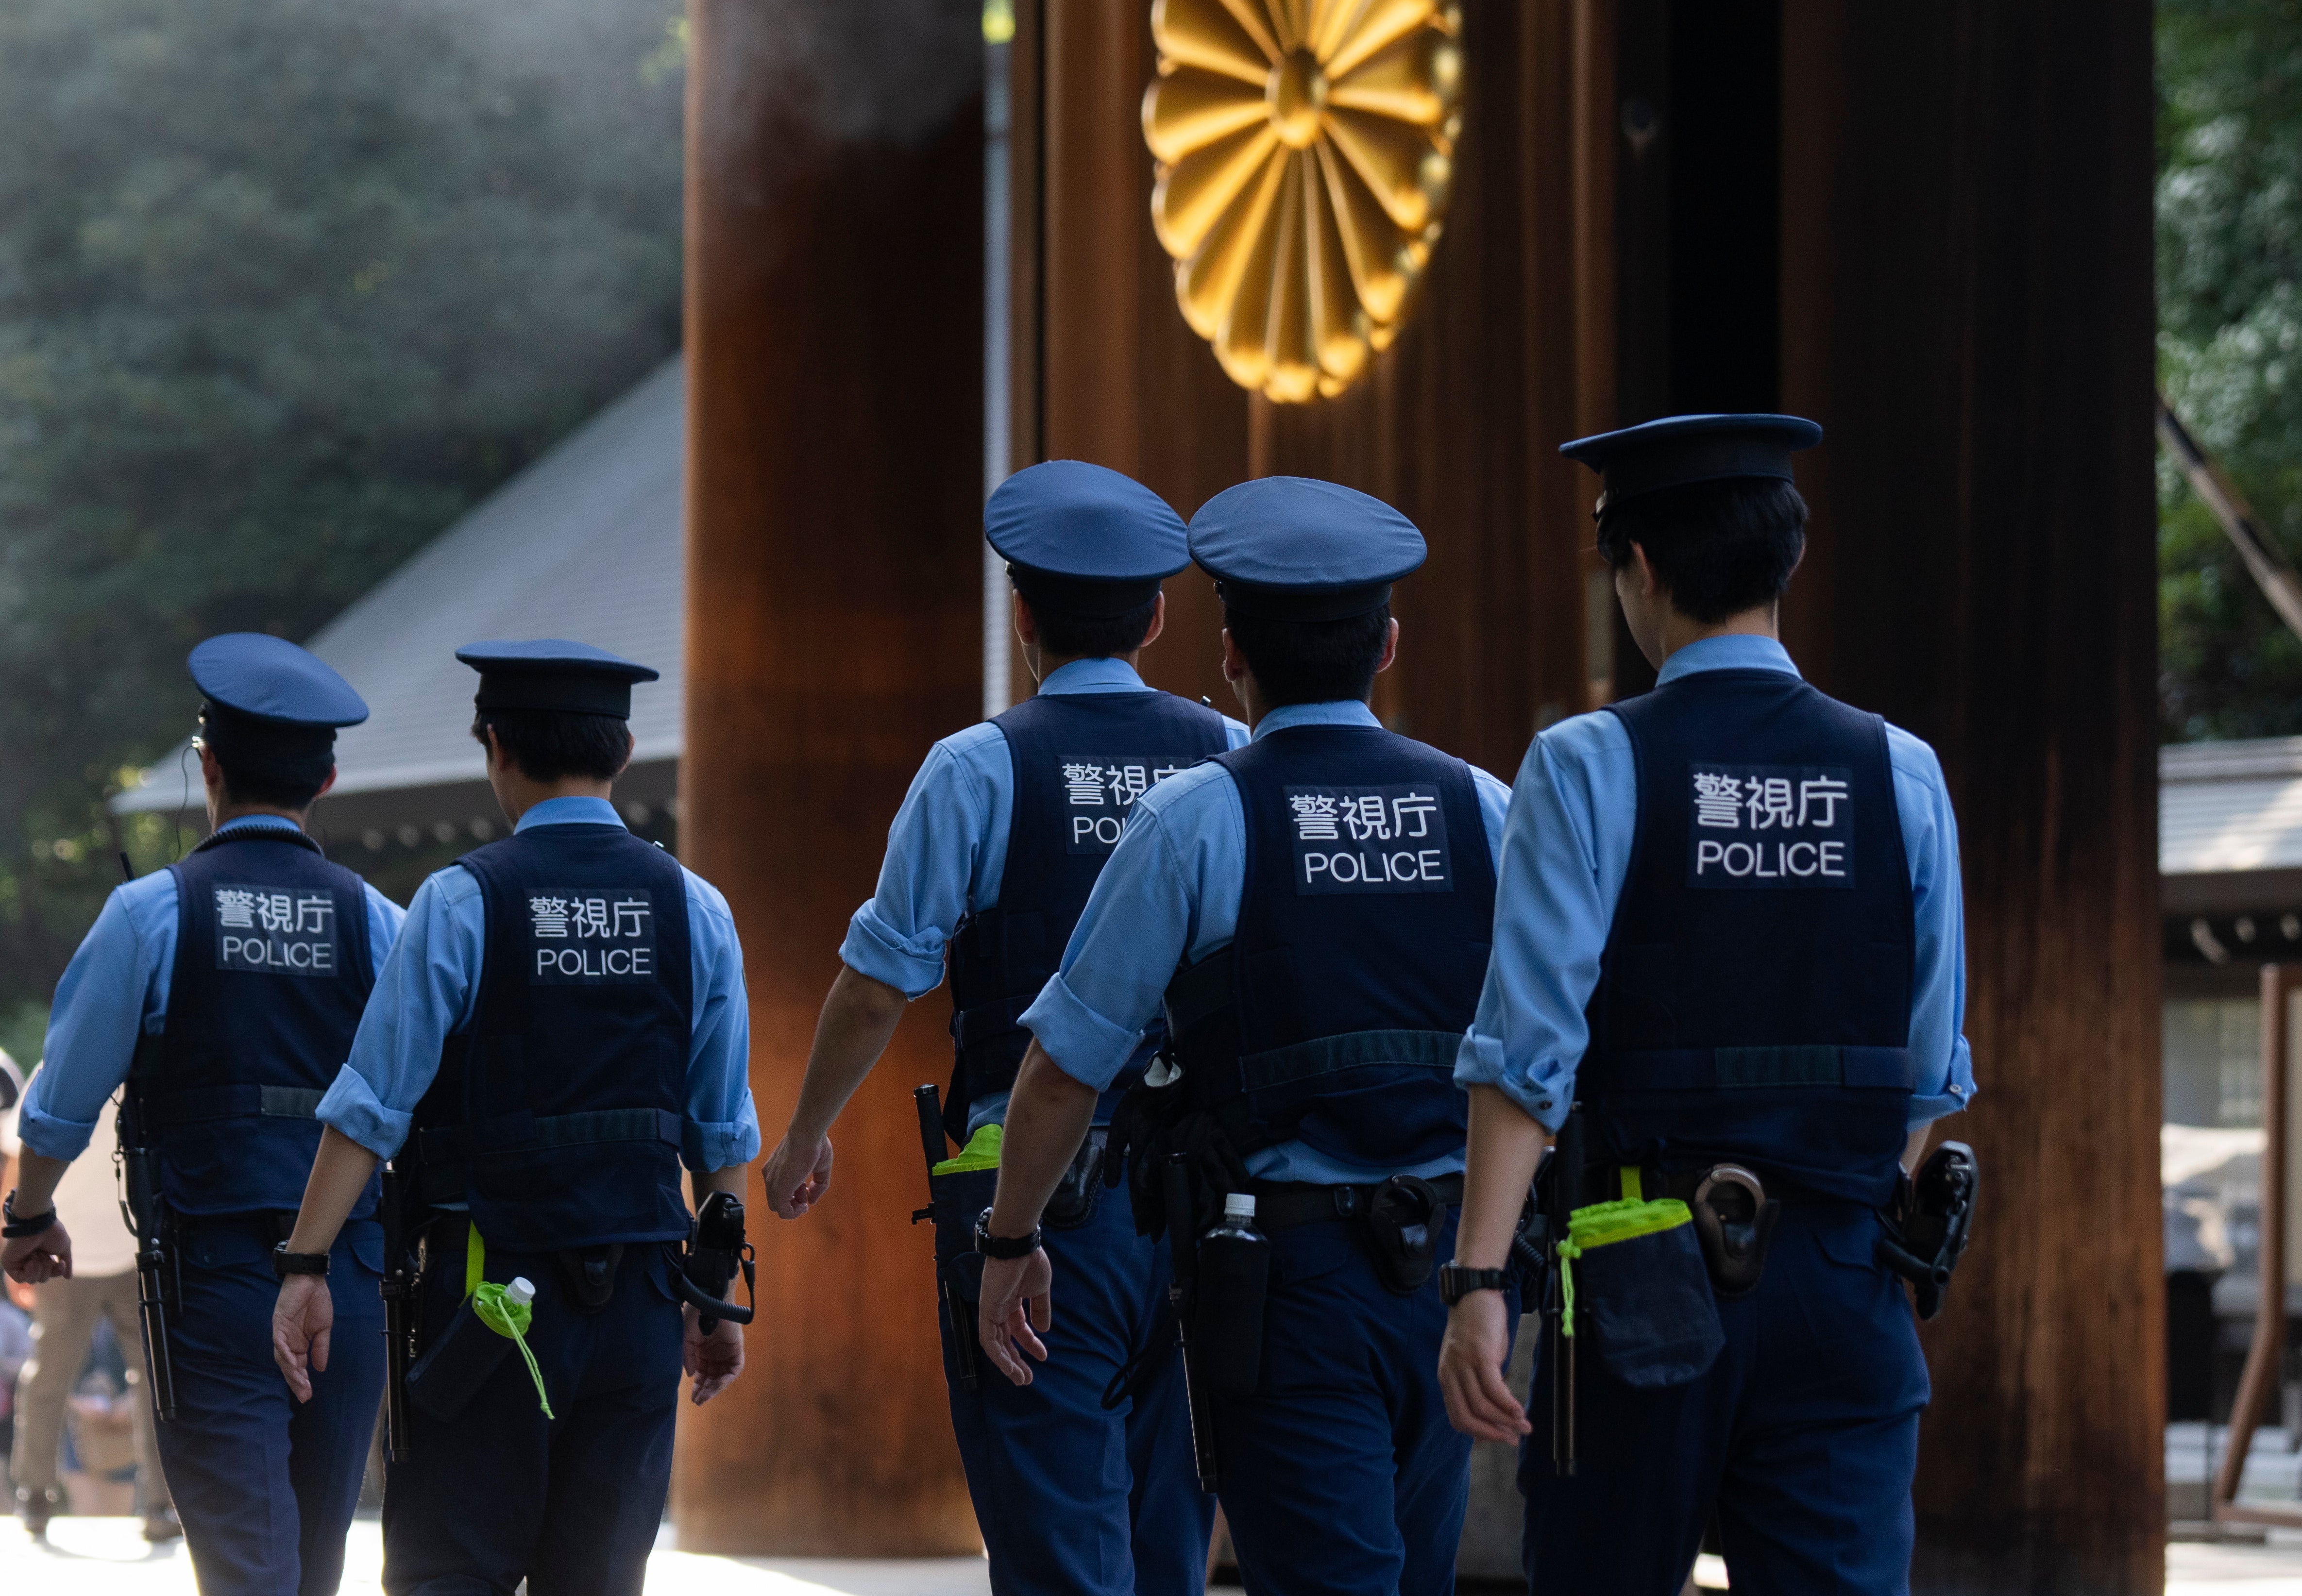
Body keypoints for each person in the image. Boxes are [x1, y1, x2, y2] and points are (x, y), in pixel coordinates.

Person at [1433, 414, 1973, 1595]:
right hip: (1848, 1279)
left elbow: (1526, 1053)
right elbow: (1930, 1066)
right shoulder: (1901, 768)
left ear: (1638, 569)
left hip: (1638, 1275)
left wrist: (1479, 1281)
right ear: (1787, 562)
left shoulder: (1585, 761)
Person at [975, 477, 1511, 1596]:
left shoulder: (1196, 816)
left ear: (1229, 654)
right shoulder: (1483, 807)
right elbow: (1544, 1052)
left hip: (1287, 1282)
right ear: (1390, 645)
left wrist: (1010, 1236)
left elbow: (1066, 1063)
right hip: (1445, 1269)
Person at [761, 460, 1239, 1596]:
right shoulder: (1228, 756)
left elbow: (880, 981)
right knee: (1173, 1528)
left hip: (1033, 1208)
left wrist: (803, 1135)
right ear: (1159, 615)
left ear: (1019, 612)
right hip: (1205, 1199)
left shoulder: (976, 766)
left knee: (1054, 1543)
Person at [268, 639, 760, 1596]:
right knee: (602, 1573)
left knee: (452, 1569)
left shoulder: (461, 903)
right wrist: (712, 1295)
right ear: (620, 752)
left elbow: (370, 1109)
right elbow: (724, 1130)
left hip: (490, 1302)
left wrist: (304, 1266)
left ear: (495, 747)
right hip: (644, 1300)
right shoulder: (695, 908)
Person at [0, 634, 396, 1585]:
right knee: (310, 1560)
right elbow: (418, 1097)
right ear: (330, 778)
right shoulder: (381, 920)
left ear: (208, 765)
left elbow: (61, 1100)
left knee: (243, 1559)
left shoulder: (151, 913)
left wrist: (28, 1216)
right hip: (350, 1276)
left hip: (209, 1280)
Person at [7, 1086, 174, 1543]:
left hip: (133, 1252)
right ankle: (36, 1493)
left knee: (156, 1377)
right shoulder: (52, 1074)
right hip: (64, 1254)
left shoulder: (145, 1072)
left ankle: (162, 1502)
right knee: (50, 1375)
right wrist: (15, 1239)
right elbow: (13, 1164)